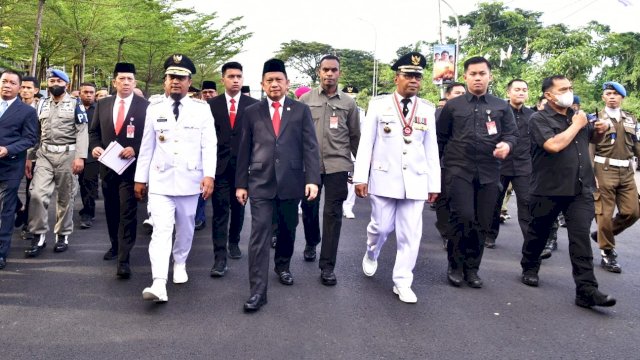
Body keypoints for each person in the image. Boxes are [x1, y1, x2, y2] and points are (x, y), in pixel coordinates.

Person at [520, 75, 616, 309]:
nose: (569, 92)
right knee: (538, 232)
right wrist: (577, 125)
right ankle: (530, 265)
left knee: (581, 237)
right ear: (548, 95)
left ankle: (586, 290)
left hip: (580, 188)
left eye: (570, 88)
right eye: (563, 89)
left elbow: (590, 138)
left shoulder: (578, 117)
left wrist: (599, 130)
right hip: (548, 188)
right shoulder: (538, 119)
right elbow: (553, 145)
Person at [354, 52, 440, 303]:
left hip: (415, 181)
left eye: (418, 77)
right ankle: (372, 251)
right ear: (396, 78)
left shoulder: (426, 109)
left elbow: (431, 149)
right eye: (409, 75)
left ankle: (402, 281)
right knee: (380, 228)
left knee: (410, 235)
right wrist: (361, 177)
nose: (414, 80)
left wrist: (434, 184)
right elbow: (366, 143)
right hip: (384, 179)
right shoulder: (379, 105)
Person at [236, 58, 320, 312]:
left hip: (292, 182)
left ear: (287, 83)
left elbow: (310, 147)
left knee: (287, 229)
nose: (274, 84)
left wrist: (312, 179)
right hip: (260, 182)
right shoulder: (252, 112)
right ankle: (258, 291)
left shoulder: (300, 110)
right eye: (269, 81)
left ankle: (282, 265)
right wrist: (241, 184)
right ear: (262, 84)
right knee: (258, 236)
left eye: (279, 80)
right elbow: (244, 149)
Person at [134, 54, 217, 302]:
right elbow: (147, 147)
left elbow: (209, 146)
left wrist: (209, 175)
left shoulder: (202, 110)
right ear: (164, 81)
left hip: (190, 180)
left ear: (189, 82)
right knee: (161, 230)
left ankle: (180, 261)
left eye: (181, 78)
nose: (176, 82)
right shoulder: (154, 108)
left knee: (186, 227)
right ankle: (159, 282)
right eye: (171, 77)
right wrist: (140, 179)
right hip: (160, 180)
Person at [437, 56, 517, 288]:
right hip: (458, 170)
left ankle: (472, 269)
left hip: (490, 172)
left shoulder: (501, 106)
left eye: (482, 73)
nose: (478, 78)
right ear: (465, 77)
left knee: (482, 221)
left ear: (489, 76)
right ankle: (455, 265)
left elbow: (511, 135)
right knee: (462, 217)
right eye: (473, 74)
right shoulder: (453, 106)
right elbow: (440, 139)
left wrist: (507, 145)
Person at [298, 55, 360, 285]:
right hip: (310, 165)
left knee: (333, 214)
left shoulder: (348, 103)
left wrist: (362, 171)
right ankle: (311, 241)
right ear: (319, 72)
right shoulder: (305, 100)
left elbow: (355, 137)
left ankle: (327, 266)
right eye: (326, 70)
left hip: (338, 164)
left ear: (339, 73)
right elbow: (297, 135)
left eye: (334, 70)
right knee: (309, 208)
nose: (329, 74)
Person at [89, 63, 148, 279]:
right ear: (114, 82)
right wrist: (94, 147)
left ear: (135, 82)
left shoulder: (145, 106)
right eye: (121, 79)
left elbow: (150, 137)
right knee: (112, 210)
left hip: (131, 169)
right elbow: (93, 132)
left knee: (127, 211)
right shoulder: (103, 104)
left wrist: (136, 148)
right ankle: (114, 245)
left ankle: (124, 258)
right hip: (107, 167)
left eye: (130, 79)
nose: (125, 83)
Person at [24, 69, 89, 257]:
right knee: (37, 193)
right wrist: (30, 157)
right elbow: (35, 133)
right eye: (51, 81)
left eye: (58, 81)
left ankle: (62, 234)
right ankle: (38, 234)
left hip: (68, 155)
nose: (54, 84)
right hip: (44, 154)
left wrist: (80, 157)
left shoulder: (76, 104)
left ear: (66, 85)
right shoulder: (41, 104)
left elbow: (81, 131)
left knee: (65, 197)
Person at [207, 61, 258, 277]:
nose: (235, 80)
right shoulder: (211, 105)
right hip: (219, 167)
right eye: (231, 76)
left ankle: (234, 241)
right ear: (223, 80)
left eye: (239, 76)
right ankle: (219, 258)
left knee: (238, 208)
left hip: (244, 167)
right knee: (220, 211)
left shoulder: (254, 105)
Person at [590, 81, 640, 273]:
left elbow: (636, 146)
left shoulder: (631, 119)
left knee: (633, 212)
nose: (611, 97)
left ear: (622, 98)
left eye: (615, 94)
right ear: (603, 97)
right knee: (604, 213)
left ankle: (602, 235)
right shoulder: (595, 118)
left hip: (627, 172)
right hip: (604, 170)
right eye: (608, 93)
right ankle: (607, 251)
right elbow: (590, 148)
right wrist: (590, 173)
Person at [485, 79, 534, 249]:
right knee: (494, 201)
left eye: (524, 90)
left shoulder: (532, 116)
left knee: (527, 202)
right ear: (508, 93)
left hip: (523, 165)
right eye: (517, 89)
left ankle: (531, 242)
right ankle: (490, 235)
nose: (521, 93)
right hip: (500, 164)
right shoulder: (498, 113)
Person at [0, 70, 39, 270]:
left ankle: (1, 252)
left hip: (10, 166)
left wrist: (8, 149)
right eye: (4, 81)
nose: (7, 85)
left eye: (12, 83)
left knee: (5, 210)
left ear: (19, 87)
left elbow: (30, 139)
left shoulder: (27, 112)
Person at [434, 82, 466, 250]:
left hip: (464, 164)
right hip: (443, 163)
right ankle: (446, 232)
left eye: (463, 93)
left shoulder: (471, 113)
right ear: (448, 95)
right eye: (457, 93)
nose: (461, 96)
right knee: (444, 199)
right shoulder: (439, 113)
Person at [14, 76, 40, 233]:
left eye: (29, 88)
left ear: (36, 91)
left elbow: (39, 136)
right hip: (13, 153)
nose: (25, 90)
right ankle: (20, 209)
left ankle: (28, 224)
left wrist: (30, 157)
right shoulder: (11, 106)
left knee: (31, 191)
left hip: (34, 155)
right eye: (22, 87)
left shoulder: (42, 109)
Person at [341, 85, 366, 220]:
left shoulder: (361, 112)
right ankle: (338, 204)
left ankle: (348, 206)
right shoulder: (336, 108)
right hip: (339, 150)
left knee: (351, 181)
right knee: (338, 181)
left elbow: (362, 134)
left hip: (354, 150)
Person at [77, 82, 98, 229]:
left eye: (91, 92)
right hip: (75, 152)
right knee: (79, 183)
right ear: (79, 93)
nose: (89, 95)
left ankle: (88, 213)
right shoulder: (74, 109)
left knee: (89, 183)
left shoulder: (99, 110)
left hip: (92, 154)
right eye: (85, 92)